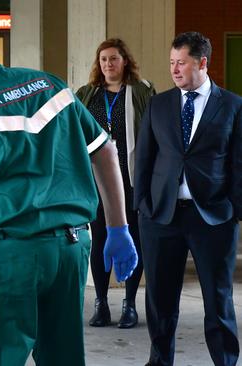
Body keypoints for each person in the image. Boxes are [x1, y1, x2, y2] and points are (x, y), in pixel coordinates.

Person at [0, 17, 138, 365]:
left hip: (9, 258)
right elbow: (105, 150)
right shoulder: (49, 84)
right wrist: (117, 227)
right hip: (71, 250)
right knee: (62, 354)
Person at [134, 31, 241, 366]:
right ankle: (160, 361)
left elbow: (239, 163)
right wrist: (143, 207)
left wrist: (234, 211)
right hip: (161, 217)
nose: (175, 69)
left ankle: (224, 360)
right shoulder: (159, 103)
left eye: (181, 63)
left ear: (202, 63)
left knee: (218, 298)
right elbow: (145, 159)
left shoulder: (233, 106)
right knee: (160, 301)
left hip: (212, 217)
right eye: (171, 63)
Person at [76, 38, 156, 329]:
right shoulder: (86, 95)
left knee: (133, 241)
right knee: (99, 241)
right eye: (103, 60)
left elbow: (153, 133)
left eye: (114, 58)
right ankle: (101, 303)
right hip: (97, 182)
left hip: (132, 179)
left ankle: (130, 305)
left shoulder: (142, 92)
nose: (108, 64)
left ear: (125, 61)